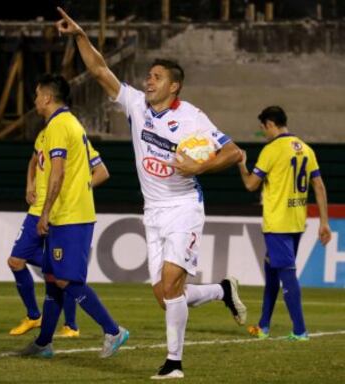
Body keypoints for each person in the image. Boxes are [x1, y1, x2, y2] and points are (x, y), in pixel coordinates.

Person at [56, 7, 247, 379]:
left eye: (156, 77)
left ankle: (174, 363)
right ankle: (221, 291)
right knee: (165, 296)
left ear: (173, 86)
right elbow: (99, 71)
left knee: (173, 282)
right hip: (153, 211)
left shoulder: (192, 118)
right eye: (148, 76)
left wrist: (198, 167)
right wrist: (80, 35)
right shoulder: (136, 106)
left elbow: (235, 151)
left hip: (183, 206)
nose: (148, 81)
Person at [20, 73, 129, 358]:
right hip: (68, 213)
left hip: (70, 216)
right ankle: (43, 343)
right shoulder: (70, 124)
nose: (35, 101)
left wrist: (44, 213)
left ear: (46, 97)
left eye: (36, 95)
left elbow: (58, 173)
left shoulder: (58, 125)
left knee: (67, 280)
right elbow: (89, 171)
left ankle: (113, 330)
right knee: (54, 277)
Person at [238, 106, 332, 341]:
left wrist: (241, 164)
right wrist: (324, 222)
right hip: (297, 221)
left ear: (271, 124)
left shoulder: (271, 150)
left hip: (277, 224)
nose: (264, 134)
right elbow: (318, 186)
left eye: (263, 129)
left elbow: (251, 185)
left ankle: (300, 331)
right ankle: (263, 327)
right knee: (272, 271)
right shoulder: (306, 150)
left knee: (287, 275)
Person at [8, 128, 109, 337]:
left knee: (60, 274)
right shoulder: (44, 134)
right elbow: (34, 160)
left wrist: (78, 191)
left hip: (61, 212)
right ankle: (34, 316)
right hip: (38, 211)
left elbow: (102, 172)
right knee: (17, 261)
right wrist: (30, 185)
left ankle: (70, 325)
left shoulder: (74, 138)